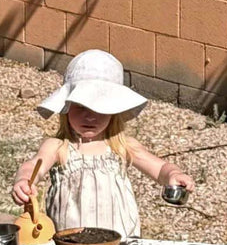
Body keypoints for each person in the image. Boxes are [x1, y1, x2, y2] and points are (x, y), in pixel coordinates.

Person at [11, 49, 194, 235]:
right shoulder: (59, 146)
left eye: (100, 109)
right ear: (66, 106)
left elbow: (160, 168)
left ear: (114, 111)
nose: (89, 116)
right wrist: (24, 180)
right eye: (81, 107)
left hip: (119, 242)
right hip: (70, 242)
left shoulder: (122, 146)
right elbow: (34, 165)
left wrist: (173, 174)